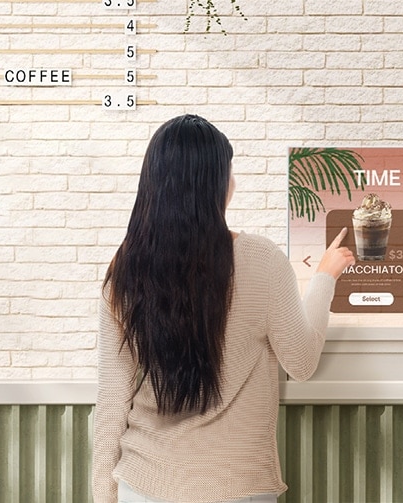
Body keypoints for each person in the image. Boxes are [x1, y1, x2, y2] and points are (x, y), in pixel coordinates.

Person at [91, 114, 355, 503]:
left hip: (142, 486)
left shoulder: (125, 271)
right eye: (229, 173)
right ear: (213, 185)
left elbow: (112, 399)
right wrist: (325, 277)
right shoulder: (260, 260)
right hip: (236, 487)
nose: (234, 183)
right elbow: (300, 361)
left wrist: (103, 494)